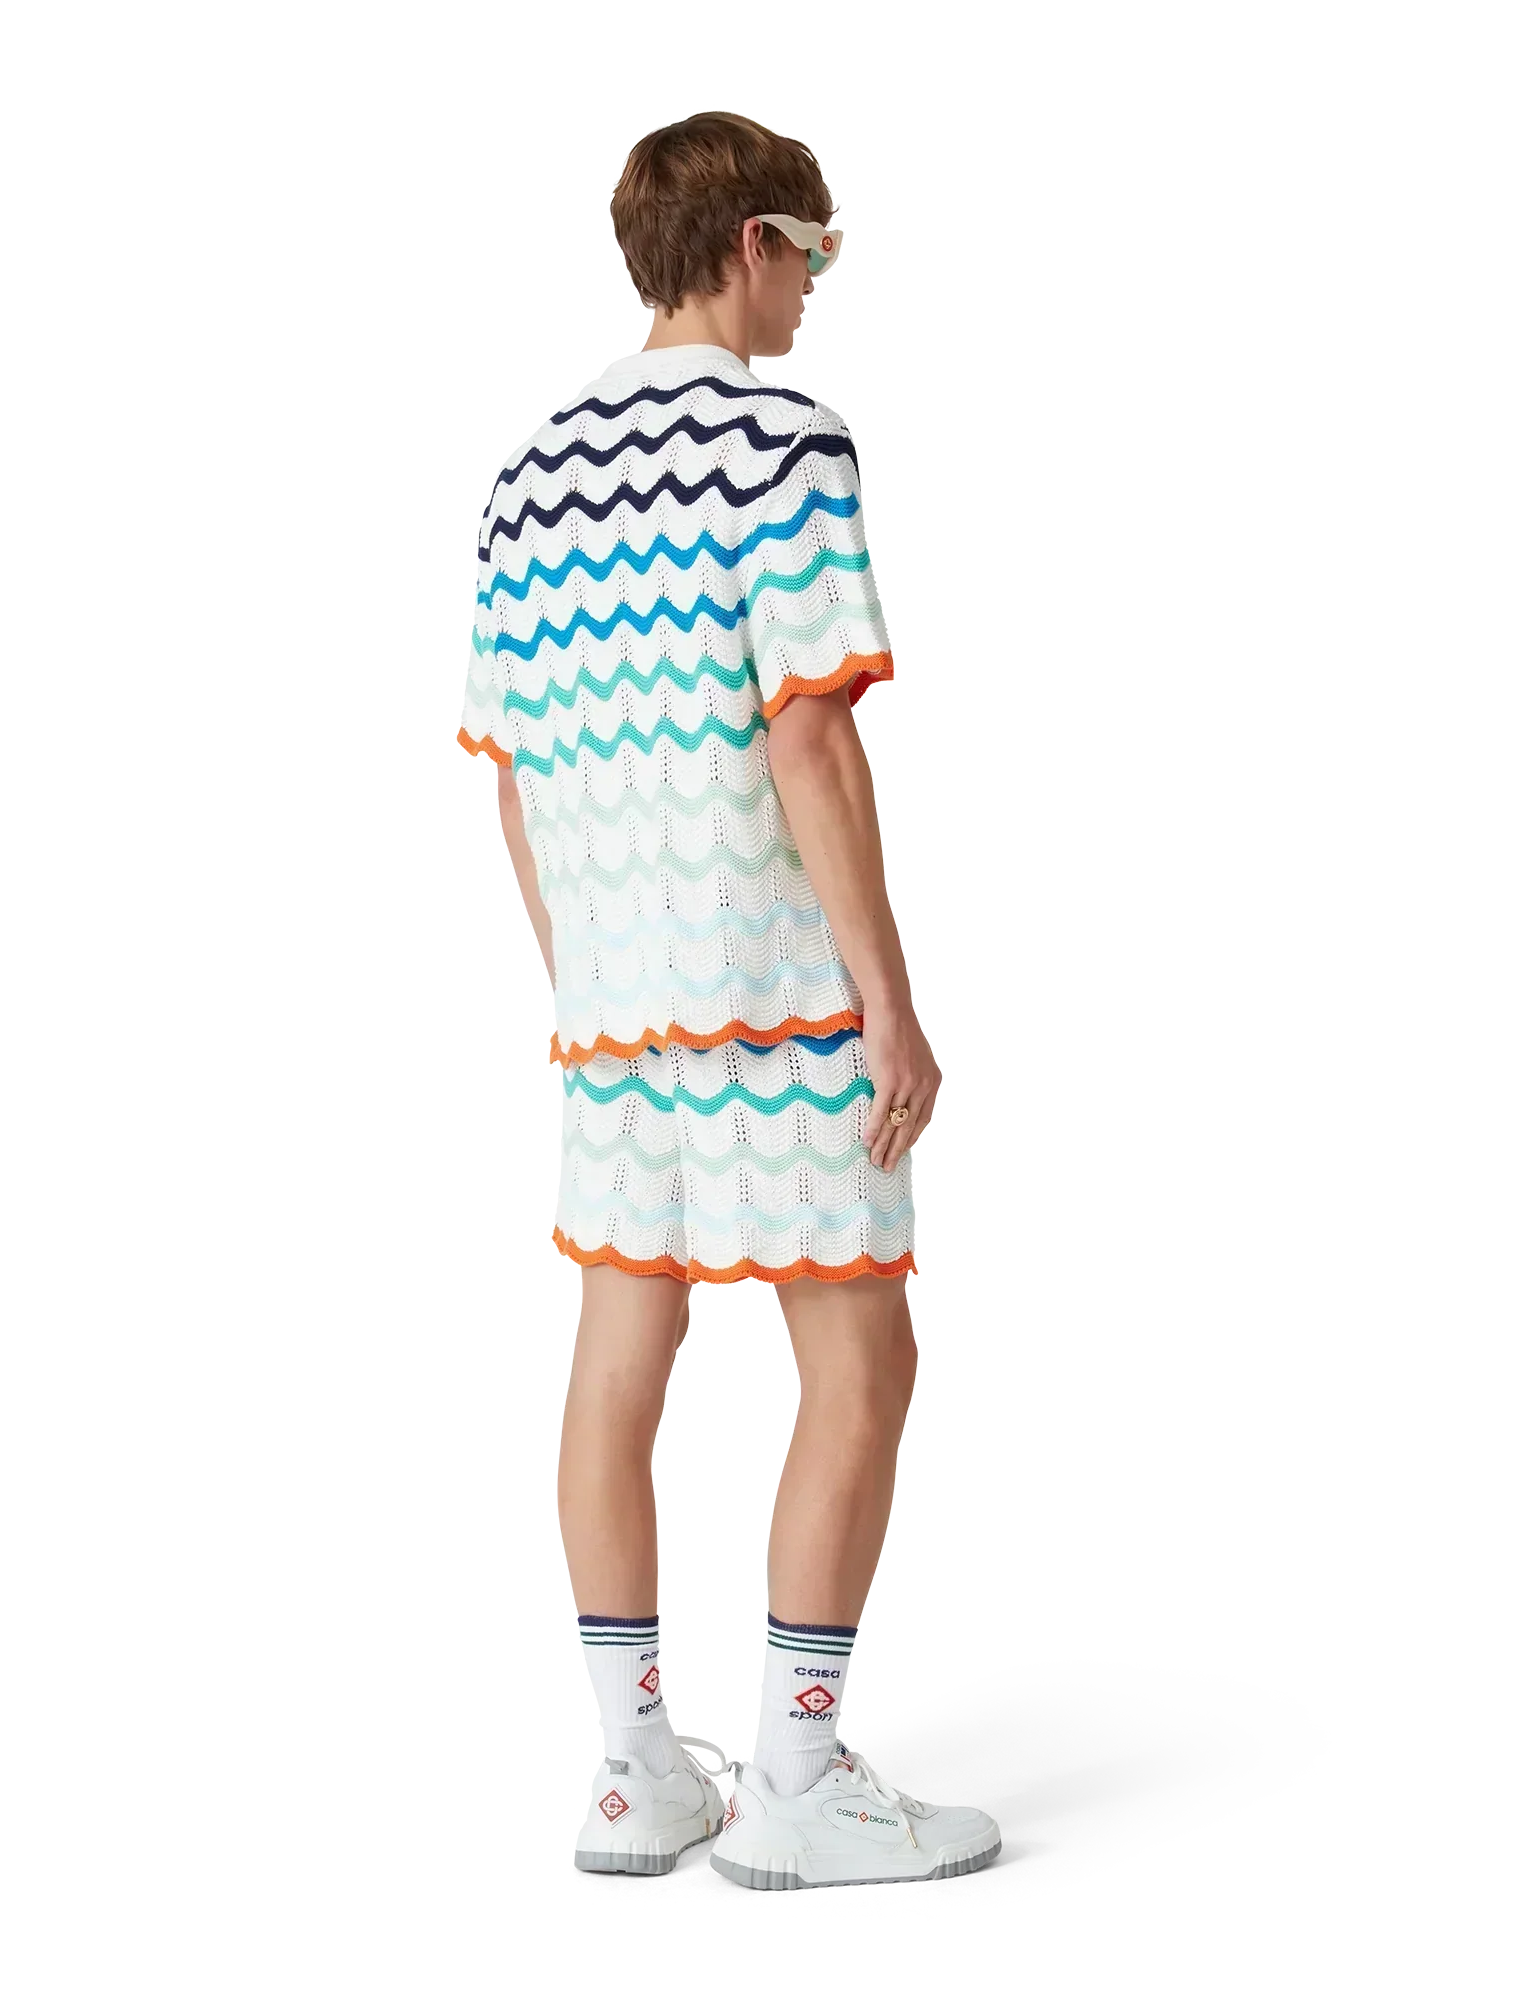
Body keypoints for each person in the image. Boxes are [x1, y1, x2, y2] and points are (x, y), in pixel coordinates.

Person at [458, 109, 1000, 1891]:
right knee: (857, 1355)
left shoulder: (525, 475)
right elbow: (811, 737)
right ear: (755, 242)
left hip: (613, 1011)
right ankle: (796, 1785)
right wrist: (888, 999)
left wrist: (584, 981)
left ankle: (635, 1774)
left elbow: (511, 772)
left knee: (619, 1362)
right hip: (776, 1000)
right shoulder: (788, 443)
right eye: (813, 257)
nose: (814, 294)